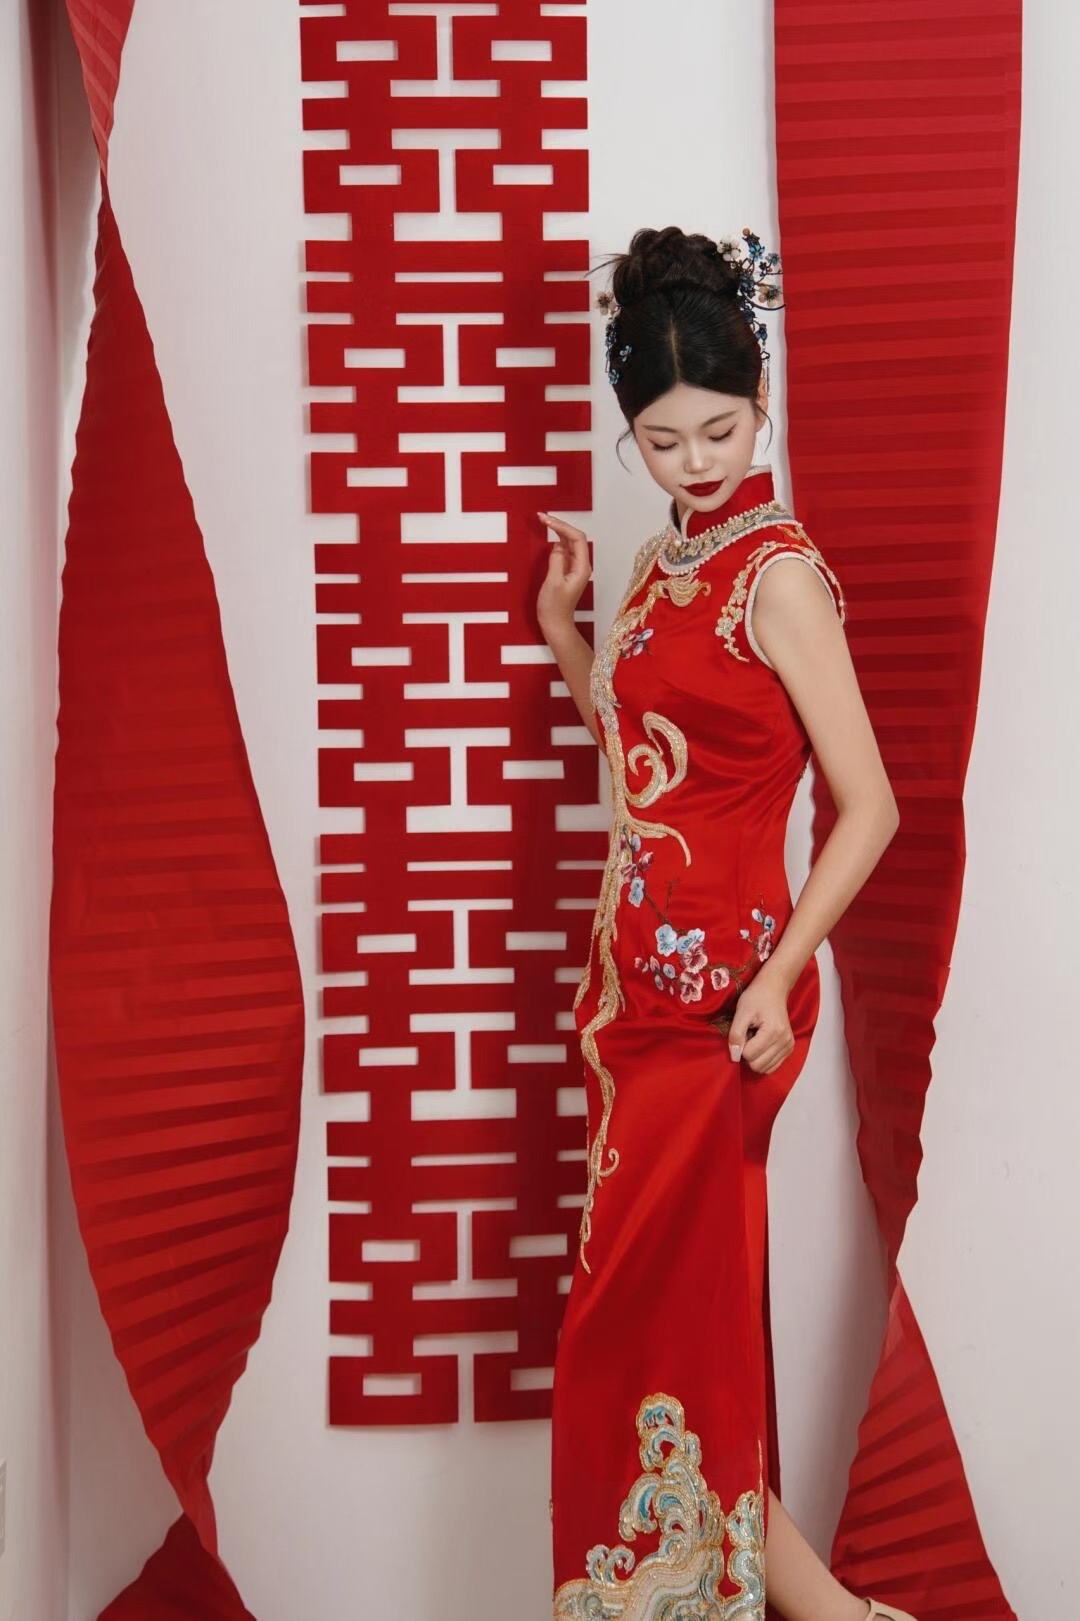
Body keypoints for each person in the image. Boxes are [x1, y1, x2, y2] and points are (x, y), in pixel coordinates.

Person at [535, 226, 914, 1621]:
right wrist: (568, 632)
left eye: (723, 429)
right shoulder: (659, 563)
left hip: (725, 1005)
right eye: (663, 438)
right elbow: (643, 758)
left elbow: (870, 806)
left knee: (640, 1324)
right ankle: (832, 1615)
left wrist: (779, 975)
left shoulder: (779, 577)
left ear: (763, 404)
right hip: (630, 993)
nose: (698, 461)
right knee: (659, 1328)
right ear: (629, 433)